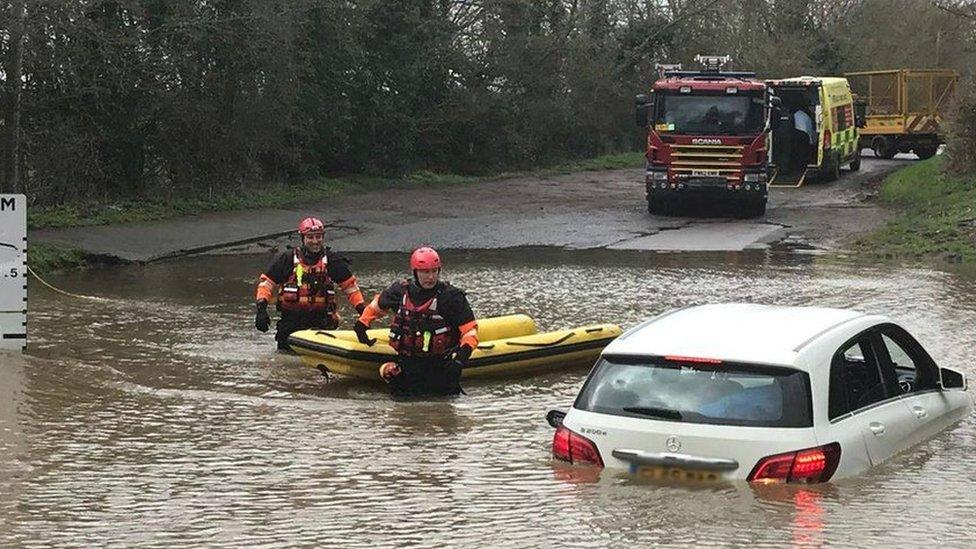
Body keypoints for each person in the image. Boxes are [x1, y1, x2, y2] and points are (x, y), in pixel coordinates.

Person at [353, 247, 478, 396]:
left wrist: (459, 361)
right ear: (415, 272)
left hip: (441, 366)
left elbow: (470, 332)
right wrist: (362, 324)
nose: (431, 277)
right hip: (407, 366)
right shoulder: (399, 291)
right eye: (425, 272)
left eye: (434, 271)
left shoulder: (451, 297)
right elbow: (375, 307)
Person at [254, 217, 366, 350]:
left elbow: (351, 288)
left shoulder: (332, 261)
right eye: (310, 237)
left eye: (318, 237)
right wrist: (261, 310)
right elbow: (266, 284)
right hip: (291, 321)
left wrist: (364, 314)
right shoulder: (286, 259)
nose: (315, 241)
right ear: (303, 238)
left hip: (321, 321)